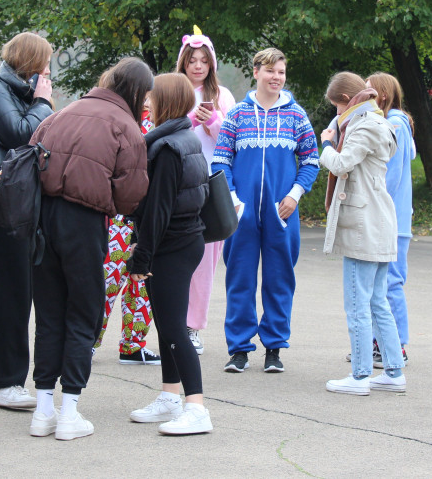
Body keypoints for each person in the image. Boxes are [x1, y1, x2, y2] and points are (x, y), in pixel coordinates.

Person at [28, 57, 151, 441]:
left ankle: (42, 409)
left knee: (49, 315)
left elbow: (30, 156)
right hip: (85, 226)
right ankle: (70, 413)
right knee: (83, 314)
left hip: (43, 222)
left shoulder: (63, 112)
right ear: (135, 91)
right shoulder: (127, 127)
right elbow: (131, 195)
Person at [212, 48, 319, 374]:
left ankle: (274, 348)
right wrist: (233, 200)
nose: (276, 77)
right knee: (239, 279)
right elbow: (220, 161)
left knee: (279, 279)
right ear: (256, 72)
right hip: (241, 216)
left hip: (282, 213)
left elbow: (311, 160)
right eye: (271, 71)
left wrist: (295, 196)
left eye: (282, 72)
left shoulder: (296, 115)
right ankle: (240, 349)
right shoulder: (238, 115)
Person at [127, 73, 212, 434]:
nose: (147, 103)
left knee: (175, 327)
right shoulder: (185, 138)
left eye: (152, 98)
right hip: (184, 240)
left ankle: (196, 407)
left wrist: (142, 257)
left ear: (167, 102)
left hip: (171, 246)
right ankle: (170, 397)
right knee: (166, 323)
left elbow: (158, 211)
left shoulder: (165, 148)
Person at [0, 32, 54, 410]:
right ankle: (7, 382)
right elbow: (22, 134)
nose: (49, 71)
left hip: (14, 196)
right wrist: (42, 102)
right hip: (4, 197)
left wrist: (35, 101)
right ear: (32, 64)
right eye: (46, 64)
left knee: (10, 284)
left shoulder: (11, 91)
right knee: (15, 287)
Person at [319, 72, 406, 395]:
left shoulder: (365, 124)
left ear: (346, 101)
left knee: (358, 303)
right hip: (376, 222)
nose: (336, 114)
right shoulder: (376, 120)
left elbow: (341, 163)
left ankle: (359, 375)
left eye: (336, 107)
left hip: (365, 225)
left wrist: (326, 143)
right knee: (378, 301)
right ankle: (393, 371)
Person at [175, 28, 236, 355]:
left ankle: (192, 327)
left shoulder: (223, 95)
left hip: (211, 185)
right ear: (183, 62)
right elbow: (160, 125)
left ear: (211, 63)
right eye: (192, 60)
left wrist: (212, 119)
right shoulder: (172, 90)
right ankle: (171, 322)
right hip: (176, 184)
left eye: (204, 60)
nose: (197, 66)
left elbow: (232, 138)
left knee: (205, 259)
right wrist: (189, 119)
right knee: (173, 256)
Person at [94, 104, 159, 366]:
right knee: (106, 281)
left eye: (148, 96)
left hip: (147, 217)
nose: (144, 101)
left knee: (142, 282)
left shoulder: (157, 125)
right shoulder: (112, 122)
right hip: (118, 215)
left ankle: (132, 346)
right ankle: (87, 342)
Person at [366, 72, 416, 366]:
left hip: (391, 220)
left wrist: (374, 206)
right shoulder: (393, 123)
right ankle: (378, 342)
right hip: (388, 219)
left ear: (382, 95)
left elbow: (391, 177)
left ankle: (397, 345)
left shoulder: (394, 124)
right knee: (377, 284)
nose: (365, 93)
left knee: (390, 283)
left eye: (369, 89)